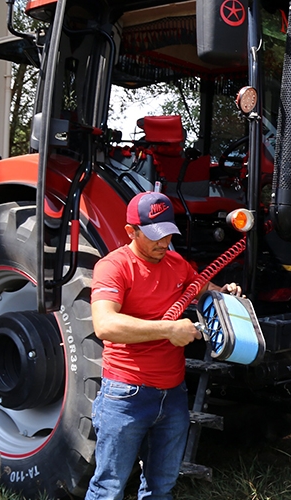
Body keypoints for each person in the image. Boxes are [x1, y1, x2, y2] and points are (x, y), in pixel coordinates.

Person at [87, 191, 240, 500]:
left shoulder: (176, 263)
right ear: (131, 231)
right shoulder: (113, 266)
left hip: (172, 396)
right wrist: (169, 329)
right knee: (108, 489)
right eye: (155, 235)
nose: (164, 242)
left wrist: (225, 292)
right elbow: (105, 325)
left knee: (162, 488)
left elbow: (201, 289)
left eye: (168, 233)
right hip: (125, 395)